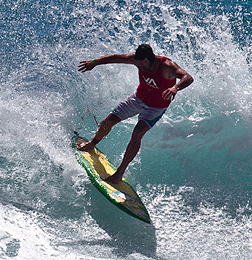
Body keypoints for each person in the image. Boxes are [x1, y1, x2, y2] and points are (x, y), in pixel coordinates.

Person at [76, 44, 193, 183]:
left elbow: (188, 77)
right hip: (137, 99)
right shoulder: (137, 60)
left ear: (149, 58)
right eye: (138, 62)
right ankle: (92, 143)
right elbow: (117, 58)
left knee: (137, 134)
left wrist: (175, 88)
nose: (139, 65)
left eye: (142, 62)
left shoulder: (167, 66)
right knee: (108, 122)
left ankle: (119, 174)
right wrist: (95, 62)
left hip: (155, 108)